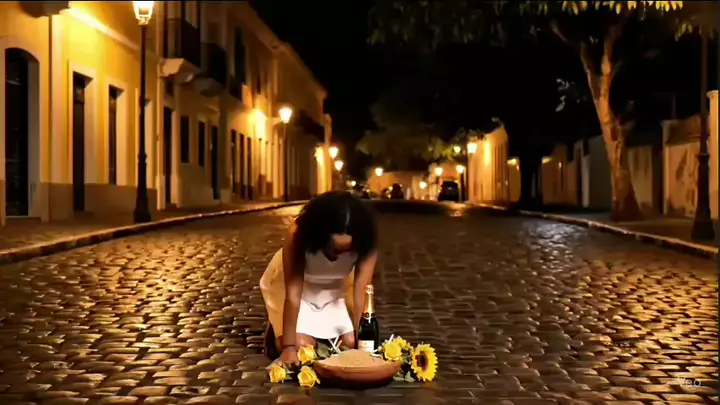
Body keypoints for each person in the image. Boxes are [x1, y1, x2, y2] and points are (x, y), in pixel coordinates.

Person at [260, 191, 378, 365]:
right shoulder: (298, 236)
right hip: (296, 292)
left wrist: (362, 347)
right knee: (302, 347)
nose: (338, 256)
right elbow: (293, 295)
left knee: (350, 344)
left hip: (334, 291)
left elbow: (361, 295)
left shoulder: (366, 243)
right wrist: (288, 348)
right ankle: (275, 329)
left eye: (346, 251)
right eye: (334, 249)